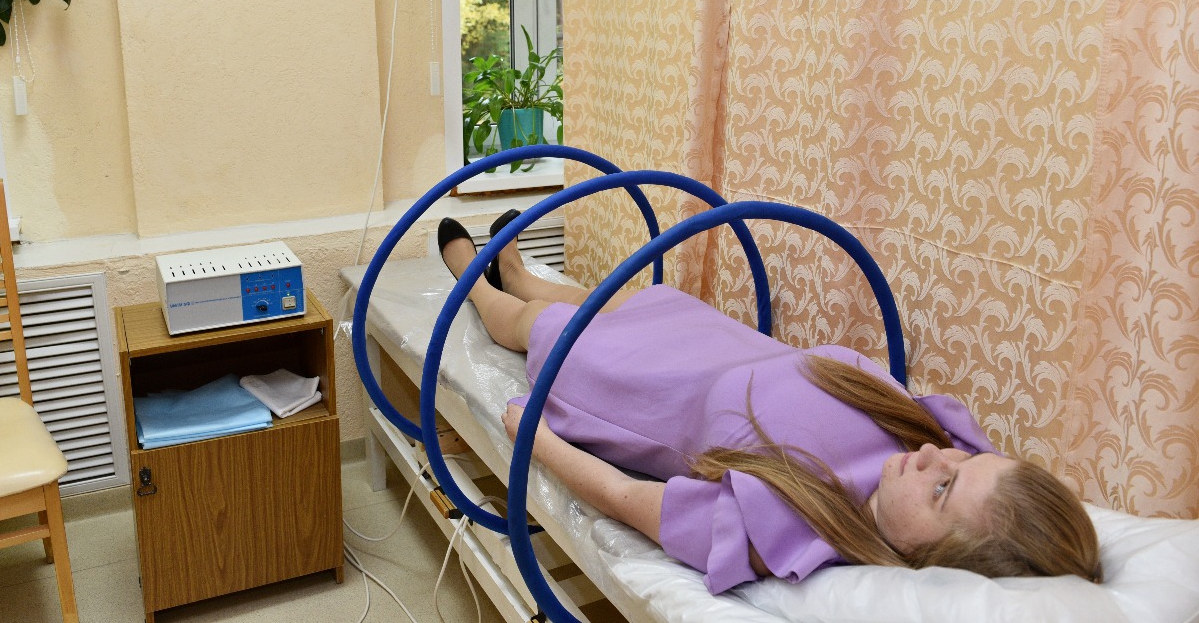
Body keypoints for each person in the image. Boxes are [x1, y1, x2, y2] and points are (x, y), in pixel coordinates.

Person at [437, 212, 1103, 594]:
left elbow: (626, 497)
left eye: (943, 488)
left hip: (635, 385)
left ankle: (476, 281)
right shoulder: (921, 437)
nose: (936, 454)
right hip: (710, 341)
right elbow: (983, 479)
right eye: (961, 460)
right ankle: (518, 270)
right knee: (621, 302)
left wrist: (535, 437)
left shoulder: (794, 523)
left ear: (937, 561)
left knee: (539, 326)